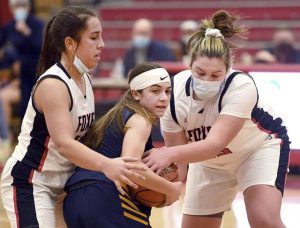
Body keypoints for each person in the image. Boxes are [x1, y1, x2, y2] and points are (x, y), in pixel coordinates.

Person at [0, 6, 147, 228]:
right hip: (31, 181)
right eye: (94, 37)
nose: (102, 44)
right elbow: (65, 144)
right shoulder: (53, 84)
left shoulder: (85, 79)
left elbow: (87, 137)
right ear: (70, 43)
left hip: (66, 181)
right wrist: (108, 165)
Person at [143, 10, 290, 228]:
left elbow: (213, 144)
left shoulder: (241, 86)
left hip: (256, 150)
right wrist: (165, 186)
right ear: (189, 64)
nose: (206, 80)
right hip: (209, 163)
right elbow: (180, 165)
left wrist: (165, 152)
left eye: (215, 76)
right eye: (200, 73)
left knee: (264, 220)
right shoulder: (173, 95)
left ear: (227, 70)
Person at [63, 62, 182, 227]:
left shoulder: (115, 117)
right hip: (106, 197)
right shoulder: (140, 120)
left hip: (74, 200)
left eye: (167, 91)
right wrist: (170, 189)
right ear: (136, 94)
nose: (163, 98)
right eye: (155, 91)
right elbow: (131, 169)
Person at [0, 0, 44, 117]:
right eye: (16, 6)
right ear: (11, 8)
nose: (19, 9)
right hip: (15, 76)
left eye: (22, 5)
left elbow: (41, 49)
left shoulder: (37, 24)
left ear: (28, 7)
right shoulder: (8, 27)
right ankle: (6, 135)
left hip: (33, 74)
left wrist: (27, 32)